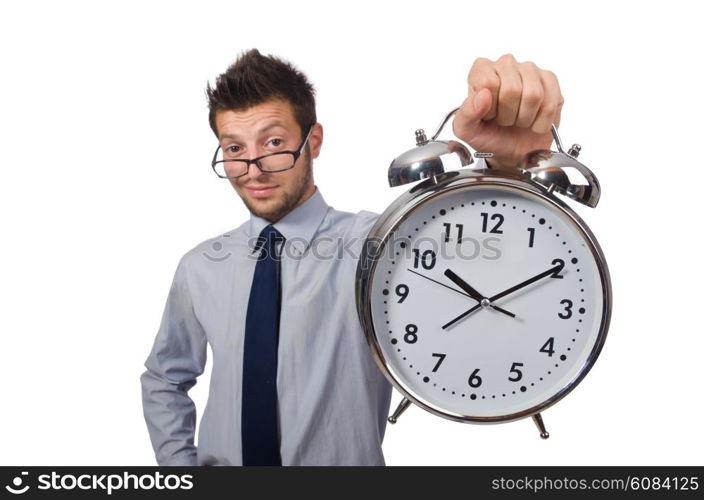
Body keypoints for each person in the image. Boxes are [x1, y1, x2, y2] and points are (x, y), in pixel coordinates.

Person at [140, 50, 563, 466]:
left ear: (313, 141)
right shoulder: (201, 267)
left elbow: (487, 271)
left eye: (273, 142)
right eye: (234, 149)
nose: (253, 168)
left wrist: (506, 168)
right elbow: (164, 377)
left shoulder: (380, 246)